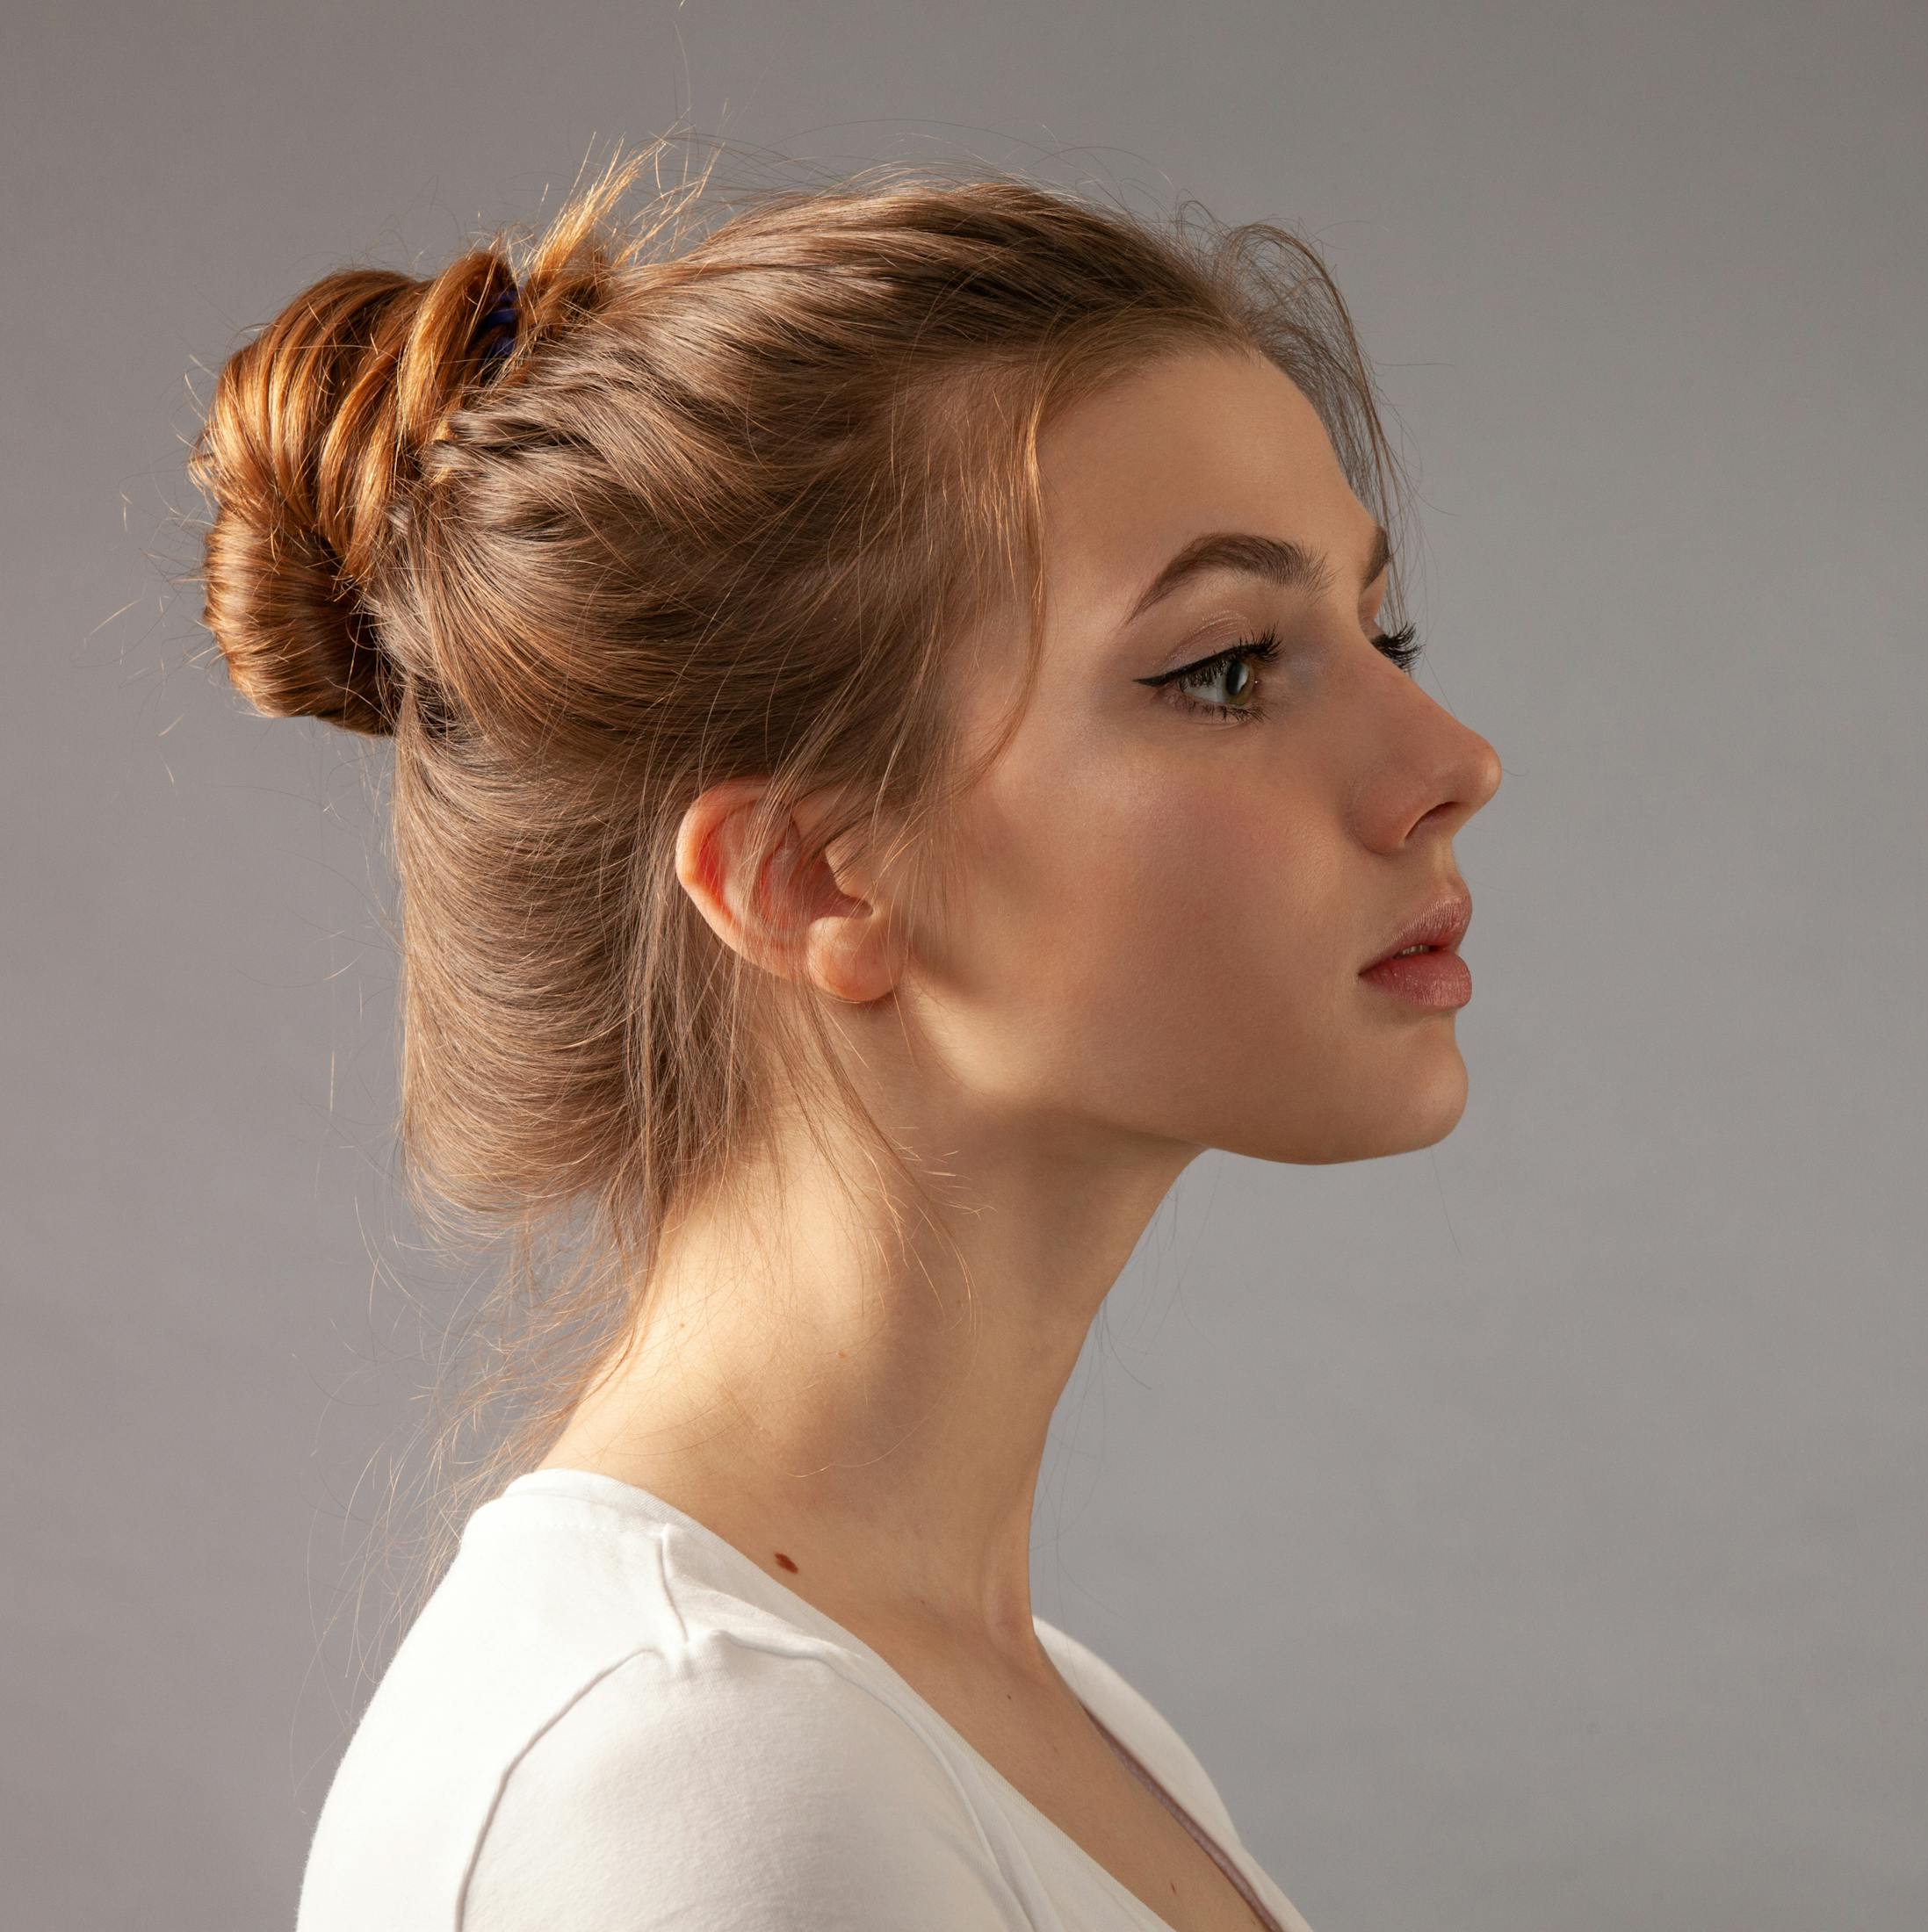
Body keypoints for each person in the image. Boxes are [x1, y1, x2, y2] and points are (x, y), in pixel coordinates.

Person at [188, 139, 1501, 1932]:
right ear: (811, 874)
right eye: (1222, 669)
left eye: (1377, 623)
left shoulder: (1001, 1718)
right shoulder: (699, 1792)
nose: (1448, 762)